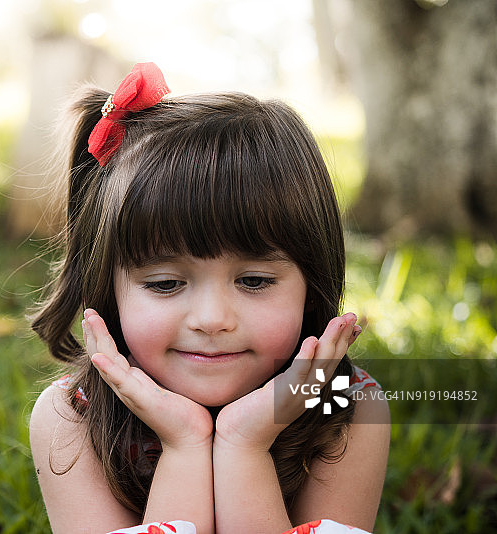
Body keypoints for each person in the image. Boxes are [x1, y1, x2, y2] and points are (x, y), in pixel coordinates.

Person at [29, 62, 390, 534]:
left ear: (313, 282)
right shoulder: (72, 417)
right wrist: (184, 444)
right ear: (107, 290)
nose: (212, 319)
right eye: (164, 284)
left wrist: (245, 444)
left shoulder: (350, 408)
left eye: (255, 281)